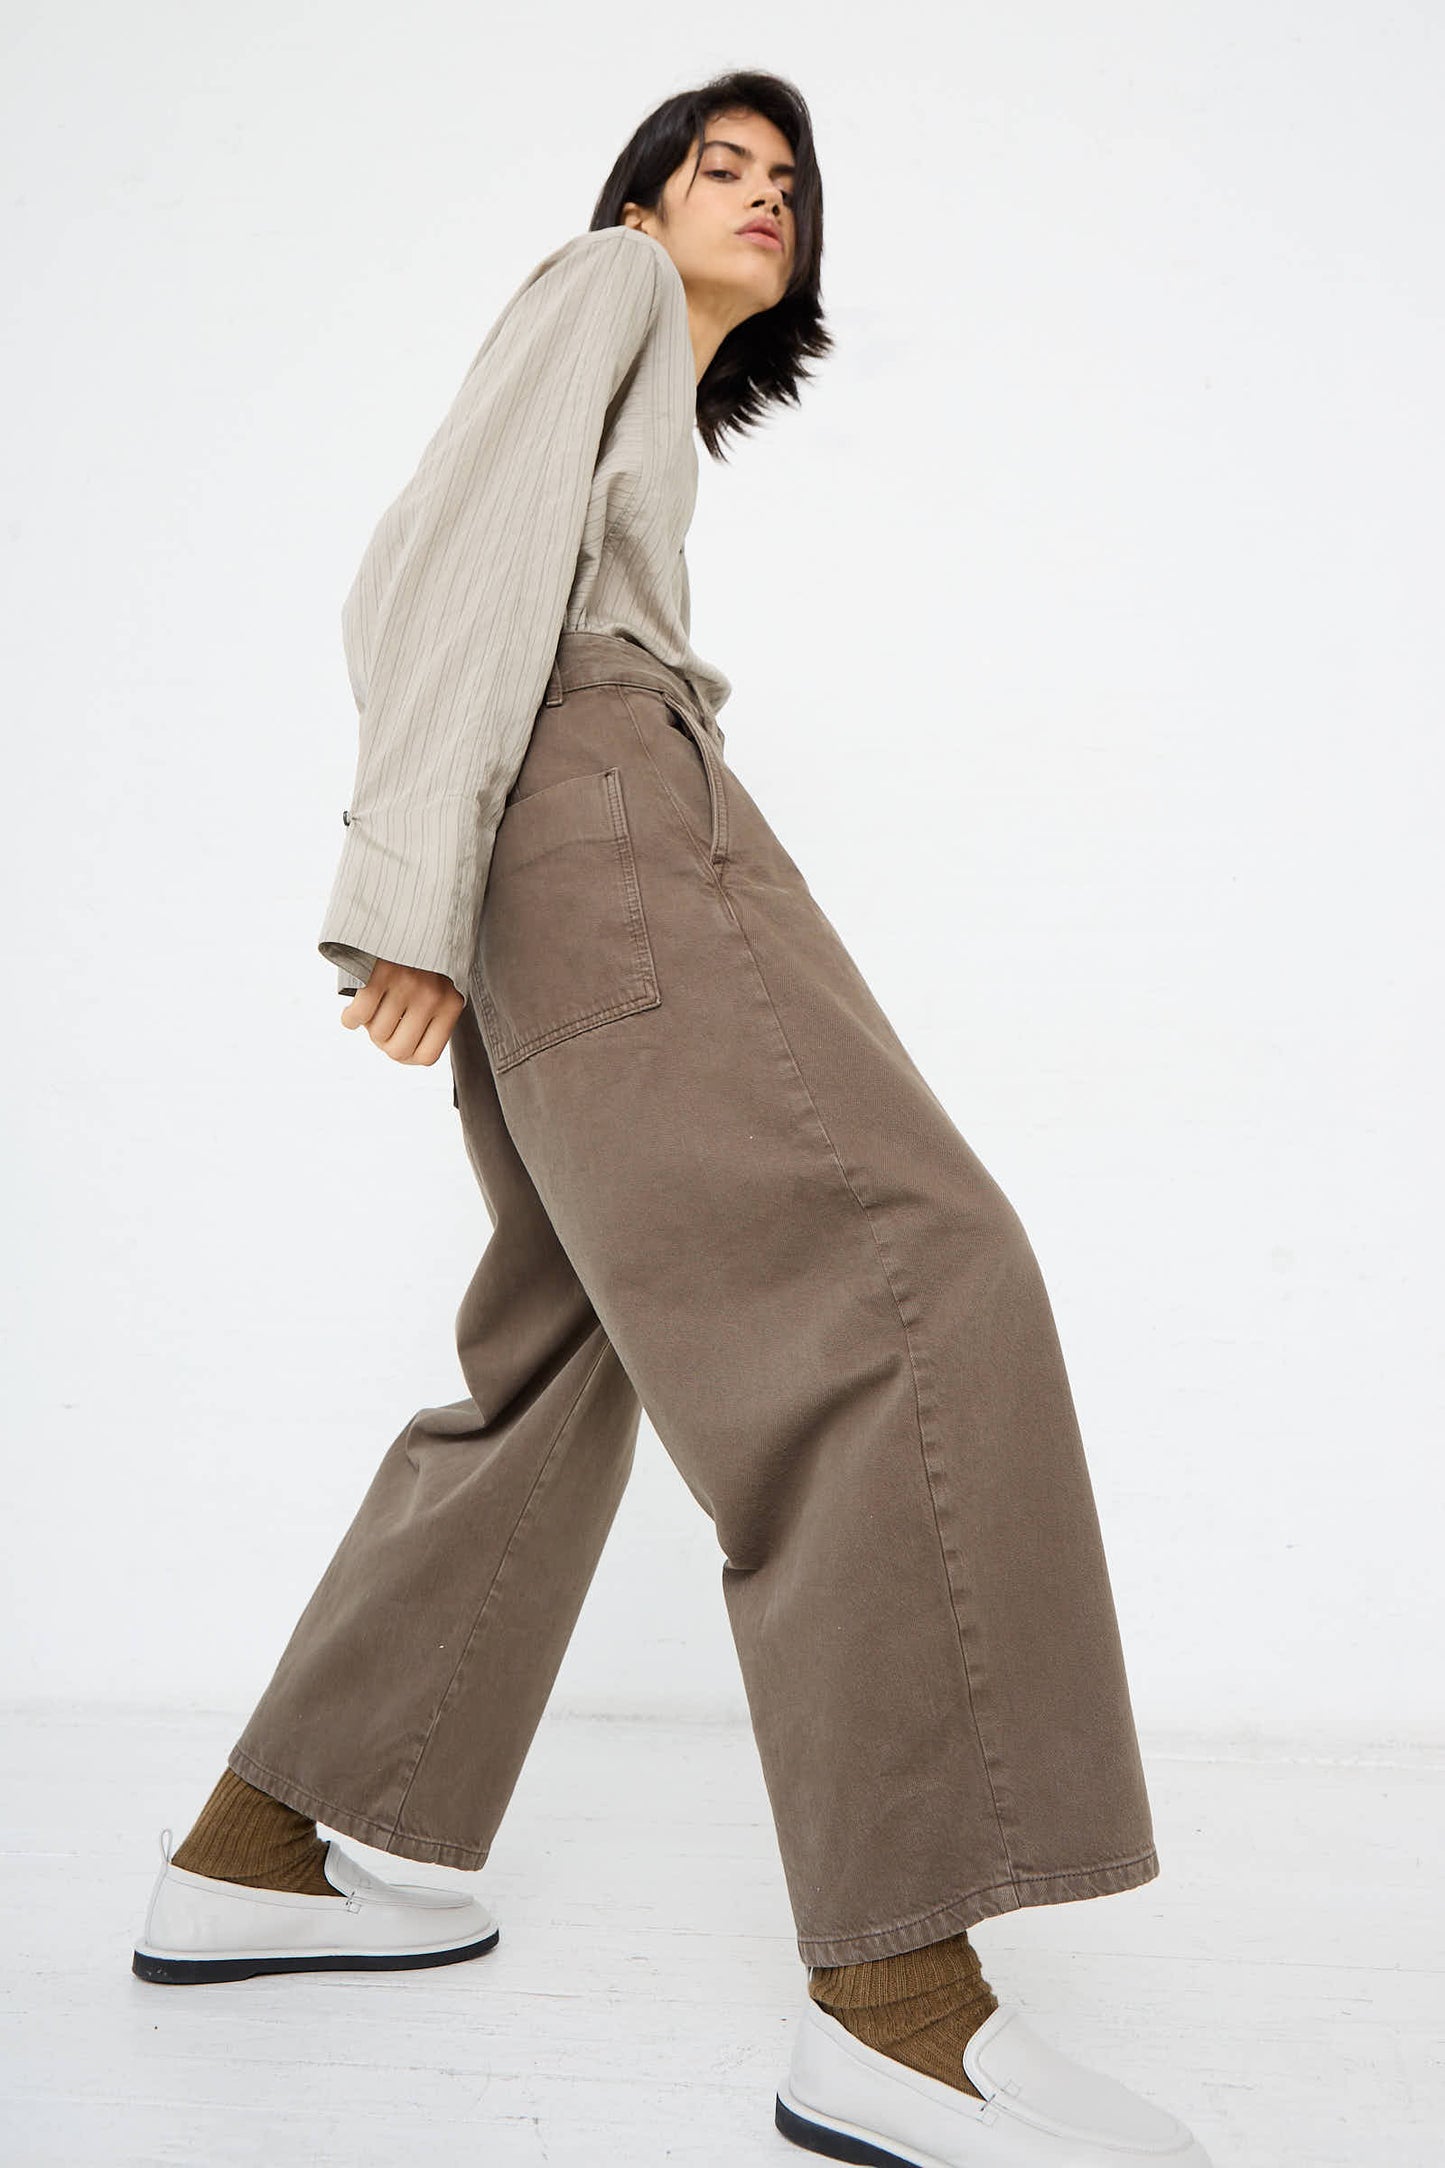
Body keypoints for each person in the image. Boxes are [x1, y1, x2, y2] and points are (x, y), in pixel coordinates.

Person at [131, 69, 1212, 2168]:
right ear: (638, 195)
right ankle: (902, 2011)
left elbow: (447, 575)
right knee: (913, 1270)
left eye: (789, 183)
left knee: (565, 1353)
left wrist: (453, 875)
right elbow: (439, 574)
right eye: (719, 163)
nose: (758, 200)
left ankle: (256, 1849)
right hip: (609, 818)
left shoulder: (640, 382)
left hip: (567, 840)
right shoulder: (607, 284)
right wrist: (405, 887)